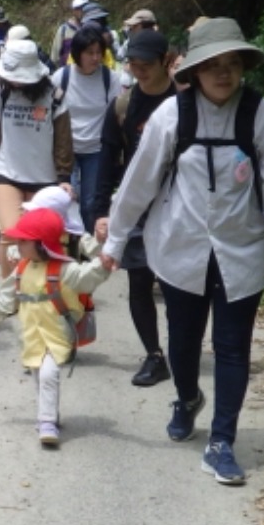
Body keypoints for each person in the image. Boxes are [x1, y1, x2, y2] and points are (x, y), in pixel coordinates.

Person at [100, 18, 264, 487]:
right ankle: (187, 396)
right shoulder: (172, 117)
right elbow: (138, 183)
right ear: (194, 71)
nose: (223, 74)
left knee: (233, 348)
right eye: (212, 66)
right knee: (183, 341)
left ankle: (222, 442)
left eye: (232, 64)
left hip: (243, 248)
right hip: (180, 247)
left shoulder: (262, 115)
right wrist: (115, 239)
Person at [0, 208, 112, 448]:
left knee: (49, 373)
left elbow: (86, 277)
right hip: (31, 335)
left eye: (23, 241)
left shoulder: (63, 268)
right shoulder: (22, 268)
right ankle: (49, 414)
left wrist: (102, 265)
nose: (17, 244)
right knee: (39, 376)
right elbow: (8, 296)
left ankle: (47, 421)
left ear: (41, 244)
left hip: (58, 333)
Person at [94, 26, 181, 388]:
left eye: (146, 64)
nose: (138, 70)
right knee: (139, 281)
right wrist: (101, 211)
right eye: (132, 63)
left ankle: (182, 349)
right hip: (137, 205)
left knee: (178, 284)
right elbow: (106, 158)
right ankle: (154, 355)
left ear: (167, 62)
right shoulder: (123, 106)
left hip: (179, 205)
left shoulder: (186, 102)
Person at [0, 35, 73, 276]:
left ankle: (41, 286)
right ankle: (12, 292)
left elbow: (63, 140)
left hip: (45, 178)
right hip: (8, 174)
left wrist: (63, 177)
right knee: (11, 234)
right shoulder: (2, 94)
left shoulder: (55, 97)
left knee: (40, 238)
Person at [51, 29, 125, 235]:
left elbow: (116, 116)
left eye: (98, 52)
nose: (95, 58)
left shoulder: (110, 79)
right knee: (66, 201)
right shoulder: (61, 77)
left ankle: (91, 247)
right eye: (89, 53)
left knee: (91, 204)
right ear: (77, 53)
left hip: (97, 150)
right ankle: (72, 247)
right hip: (68, 151)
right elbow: (51, 113)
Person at [51, 0, 89, 64]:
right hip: (68, 70)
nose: (82, 11)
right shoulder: (63, 30)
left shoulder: (93, 28)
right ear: (73, 11)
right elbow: (55, 56)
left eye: (85, 8)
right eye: (79, 9)